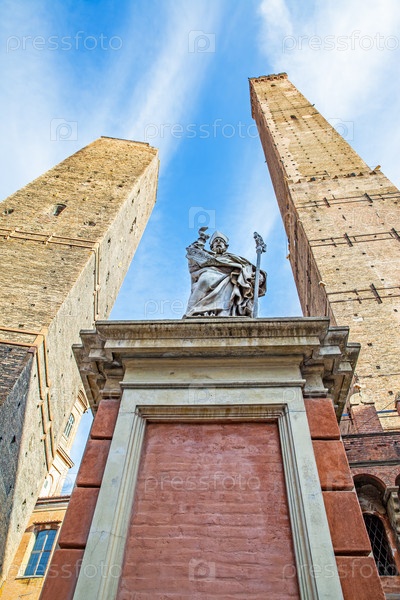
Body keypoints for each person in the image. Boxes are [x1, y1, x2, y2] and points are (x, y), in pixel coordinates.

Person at [184, 228, 266, 317]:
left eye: (221, 241)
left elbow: (247, 267)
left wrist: (257, 275)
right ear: (212, 247)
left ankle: (224, 313)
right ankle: (195, 311)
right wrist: (201, 240)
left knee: (231, 282)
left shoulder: (234, 259)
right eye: (216, 241)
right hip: (208, 273)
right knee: (205, 280)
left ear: (226, 247)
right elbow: (192, 253)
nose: (218, 242)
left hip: (229, 278)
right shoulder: (205, 257)